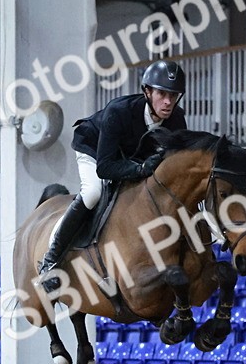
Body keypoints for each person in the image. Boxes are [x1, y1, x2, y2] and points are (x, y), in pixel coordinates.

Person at [36, 59, 189, 292]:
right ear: (147, 92)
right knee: (93, 192)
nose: (168, 102)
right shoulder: (119, 111)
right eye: (162, 94)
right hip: (94, 149)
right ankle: (51, 260)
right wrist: (140, 169)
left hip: (131, 156)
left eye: (173, 95)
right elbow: (105, 167)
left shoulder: (176, 120)